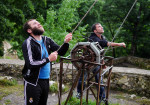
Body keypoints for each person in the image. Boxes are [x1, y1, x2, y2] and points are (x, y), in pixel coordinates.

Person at [22, 19, 72, 105]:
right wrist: (48, 59)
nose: (38, 23)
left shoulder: (46, 40)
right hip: (33, 82)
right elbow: (31, 63)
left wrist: (66, 42)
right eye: (35, 23)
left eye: (38, 22)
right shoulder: (28, 43)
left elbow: (60, 52)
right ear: (29, 30)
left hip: (45, 81)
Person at [76, 23, 126, 101]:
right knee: (83, 79)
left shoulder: (102, 37)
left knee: (99, 80)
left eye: (101, 26)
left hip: (96, 62)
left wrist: (102, 62)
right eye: (99, 26)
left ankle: (102, 98)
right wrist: (119, 44)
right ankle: (79, 93)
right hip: (87, 62)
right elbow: (106, 44)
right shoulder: (93, 38)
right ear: (95, 30)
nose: (102, 27)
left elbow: (100, 52)